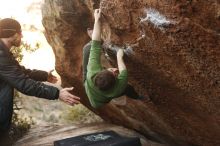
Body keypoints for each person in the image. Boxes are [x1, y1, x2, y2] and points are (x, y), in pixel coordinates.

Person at [0, 18, 80, 135]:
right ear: (12, 34)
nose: (22, 36)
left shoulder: (3, 53)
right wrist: (57, 93)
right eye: (20, 32)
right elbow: (24, 84)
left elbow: (21, 72)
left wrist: (44, 75)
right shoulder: (1, 56)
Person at [83, 9, 144, 108]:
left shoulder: (92, 70)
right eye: (115, 72)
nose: (115, 69)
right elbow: (123, 70)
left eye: (110, 69)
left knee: (87, 49)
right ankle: (136, 97)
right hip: (98, 103)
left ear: (98, 73)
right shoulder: (119, 88)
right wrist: (119, 56)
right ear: (116, 82)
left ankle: (95, 35)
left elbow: (95, 42)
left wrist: (97, 20)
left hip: (88, 84)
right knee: (128, 88)